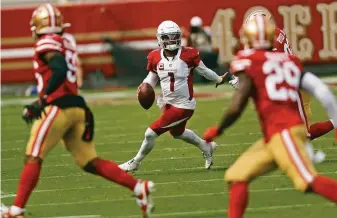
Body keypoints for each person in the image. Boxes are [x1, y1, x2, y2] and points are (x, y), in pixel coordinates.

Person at [1, 4, 154, 218]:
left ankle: (16, 211)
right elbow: (62, 73)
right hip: (78, 108)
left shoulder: (46, 43)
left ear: (39, 27)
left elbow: (60, 68)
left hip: (58, 108)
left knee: (33, 156)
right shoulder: (67, 41)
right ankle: (139, 188)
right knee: (89, 162)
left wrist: (42, 100)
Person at [203, 16, 337, 218]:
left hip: (284, 132)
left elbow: (237, 105)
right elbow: (323, 92)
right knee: (237, 175)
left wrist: (219, 129)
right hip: (275, 136)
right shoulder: (288, 60)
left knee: (308, 180)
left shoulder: (248, 60)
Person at [118, 20, 233, 172]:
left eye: (174, 36)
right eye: (167, 37)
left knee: (150, 134)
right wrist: (144, 87)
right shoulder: (154, 56)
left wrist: (219, 79)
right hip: (168, 103)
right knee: (177, 133)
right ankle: (206, 146)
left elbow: (204, 71)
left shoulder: (188, 54)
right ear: (160, 39)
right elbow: (152, 78)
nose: (171, 40)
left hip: (184, 106)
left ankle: (135, 162)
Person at [247, 9, 336, 148]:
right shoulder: (276, 33)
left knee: (302, 135)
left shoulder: (274, 36)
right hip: (292, 82)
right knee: (294, 134)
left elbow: (270, 63)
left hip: (294, 85)